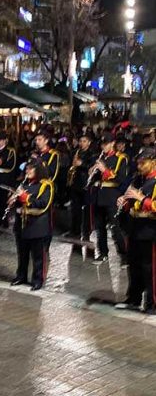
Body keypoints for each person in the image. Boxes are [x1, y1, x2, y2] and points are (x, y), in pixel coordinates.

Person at [117, 147, 156, 312]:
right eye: (138, 162)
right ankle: (133, 298)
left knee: (150, 269)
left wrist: (142, 199)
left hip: (151, 231)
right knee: (134, 267)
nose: (139, 166)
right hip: (135, 229)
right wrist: (124, 203)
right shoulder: (138, 179)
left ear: (153, 162)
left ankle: (152, 303)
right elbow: (132, 202)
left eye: (143, 162)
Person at [9, 161, 54, 290]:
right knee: (22, 253)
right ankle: (21, 276)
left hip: (37, 224)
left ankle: (38, 279)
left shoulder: (46, 185)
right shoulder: (23, 184)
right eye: (26, 169)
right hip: (22, 223)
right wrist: (13, 200)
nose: (27, 172)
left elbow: (43, 204)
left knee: (38, 255)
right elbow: (19, 201)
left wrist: (25, 198)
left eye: (30, 169)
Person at [90, 134, 130, 262]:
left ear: (112, 143)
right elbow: (96, 178)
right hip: (99, 196)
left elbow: (121, 179)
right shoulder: (101, 157)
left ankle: (124, 255)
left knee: (115, 227)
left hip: (112, 196)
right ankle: (103, 253)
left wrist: (104, 170)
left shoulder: (121, 158)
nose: (103, 146)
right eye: (102, 144)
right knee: (99, 227)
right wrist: (93, 171)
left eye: (106, 144)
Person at [68, 133, 96, 241]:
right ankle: (75, 230)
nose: (82, 143)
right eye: (80, 141)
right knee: (75, 209)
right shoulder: (76, 152)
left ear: (89, 142)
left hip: (86, 184)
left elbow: (92, 168)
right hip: (75, 183)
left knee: (87, 210)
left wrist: (82, 164)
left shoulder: (92, 153)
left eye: (84, 141)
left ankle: (86, 232)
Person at [0, 133, 18, 226]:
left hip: (5, 178)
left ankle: (4, 220)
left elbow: (11, 165)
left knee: (4, 200)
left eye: (0, 140)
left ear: (5, 140)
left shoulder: (10, 151)